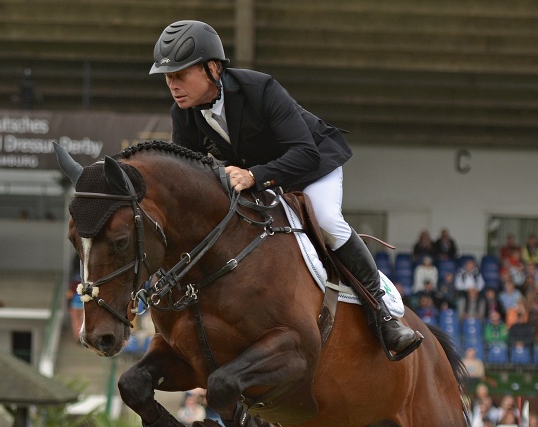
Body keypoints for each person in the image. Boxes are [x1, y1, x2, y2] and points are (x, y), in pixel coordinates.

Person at [148, 20, 421, 360]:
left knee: (326, 221)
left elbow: (304, 153)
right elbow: (191, 177)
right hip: (257, 178)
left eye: (179, 75)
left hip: (311, 166)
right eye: (167, 77)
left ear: (213, 69)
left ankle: (382, 315)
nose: (172, 85)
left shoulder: (259, 88)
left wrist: (254, 175)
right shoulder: (184, 113)